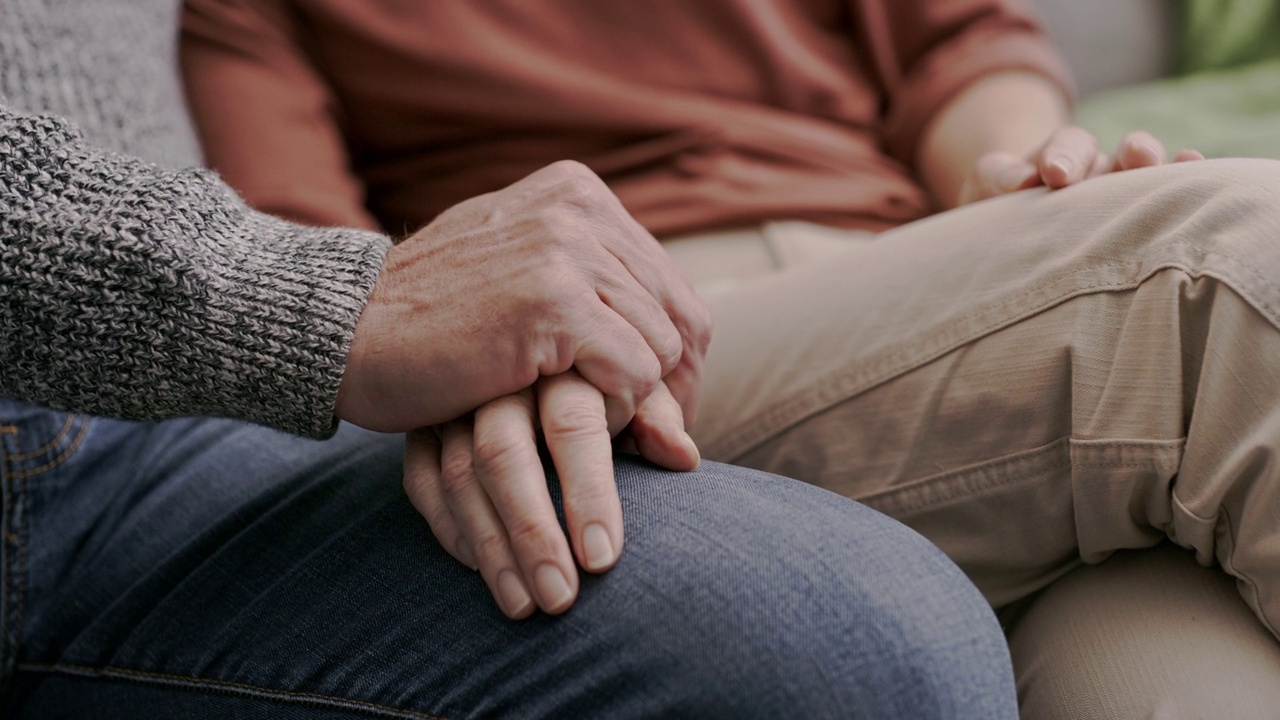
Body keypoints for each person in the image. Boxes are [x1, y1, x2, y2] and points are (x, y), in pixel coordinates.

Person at [179, 0, 1280, 717]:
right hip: (617, 342)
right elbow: (323, 281)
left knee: (1185, 687)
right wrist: (465, 344)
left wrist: (1016, 174)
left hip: (919, 269)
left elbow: (960, 50)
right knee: (1218, 270)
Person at [0, 1, 1021, 718]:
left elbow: (963, 44)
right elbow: (310, 234)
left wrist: (1022, 164)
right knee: (873, 658)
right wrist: (359, 307)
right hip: (149, 389)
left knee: (1144, 656)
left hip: (169, 395)